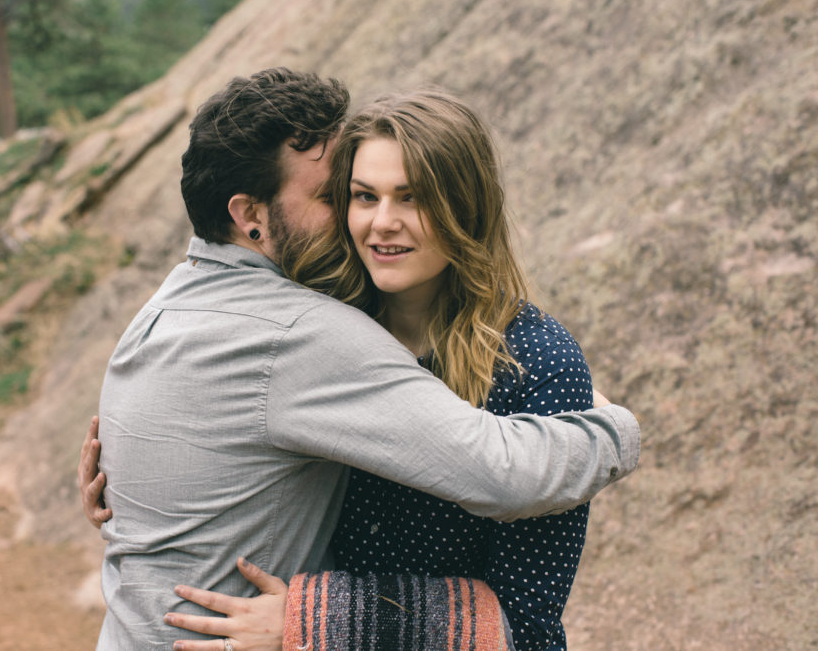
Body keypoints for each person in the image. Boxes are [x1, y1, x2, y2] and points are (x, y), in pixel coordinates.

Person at [87, 68, 640, 649]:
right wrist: (616, 430)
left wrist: (313, 619)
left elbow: (527, 619)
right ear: (250, 216)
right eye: (348, 196)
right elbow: (502, 472)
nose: (377, 223)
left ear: (464, 206)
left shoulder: (162, 311)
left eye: (413, 197)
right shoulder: (313, 334)